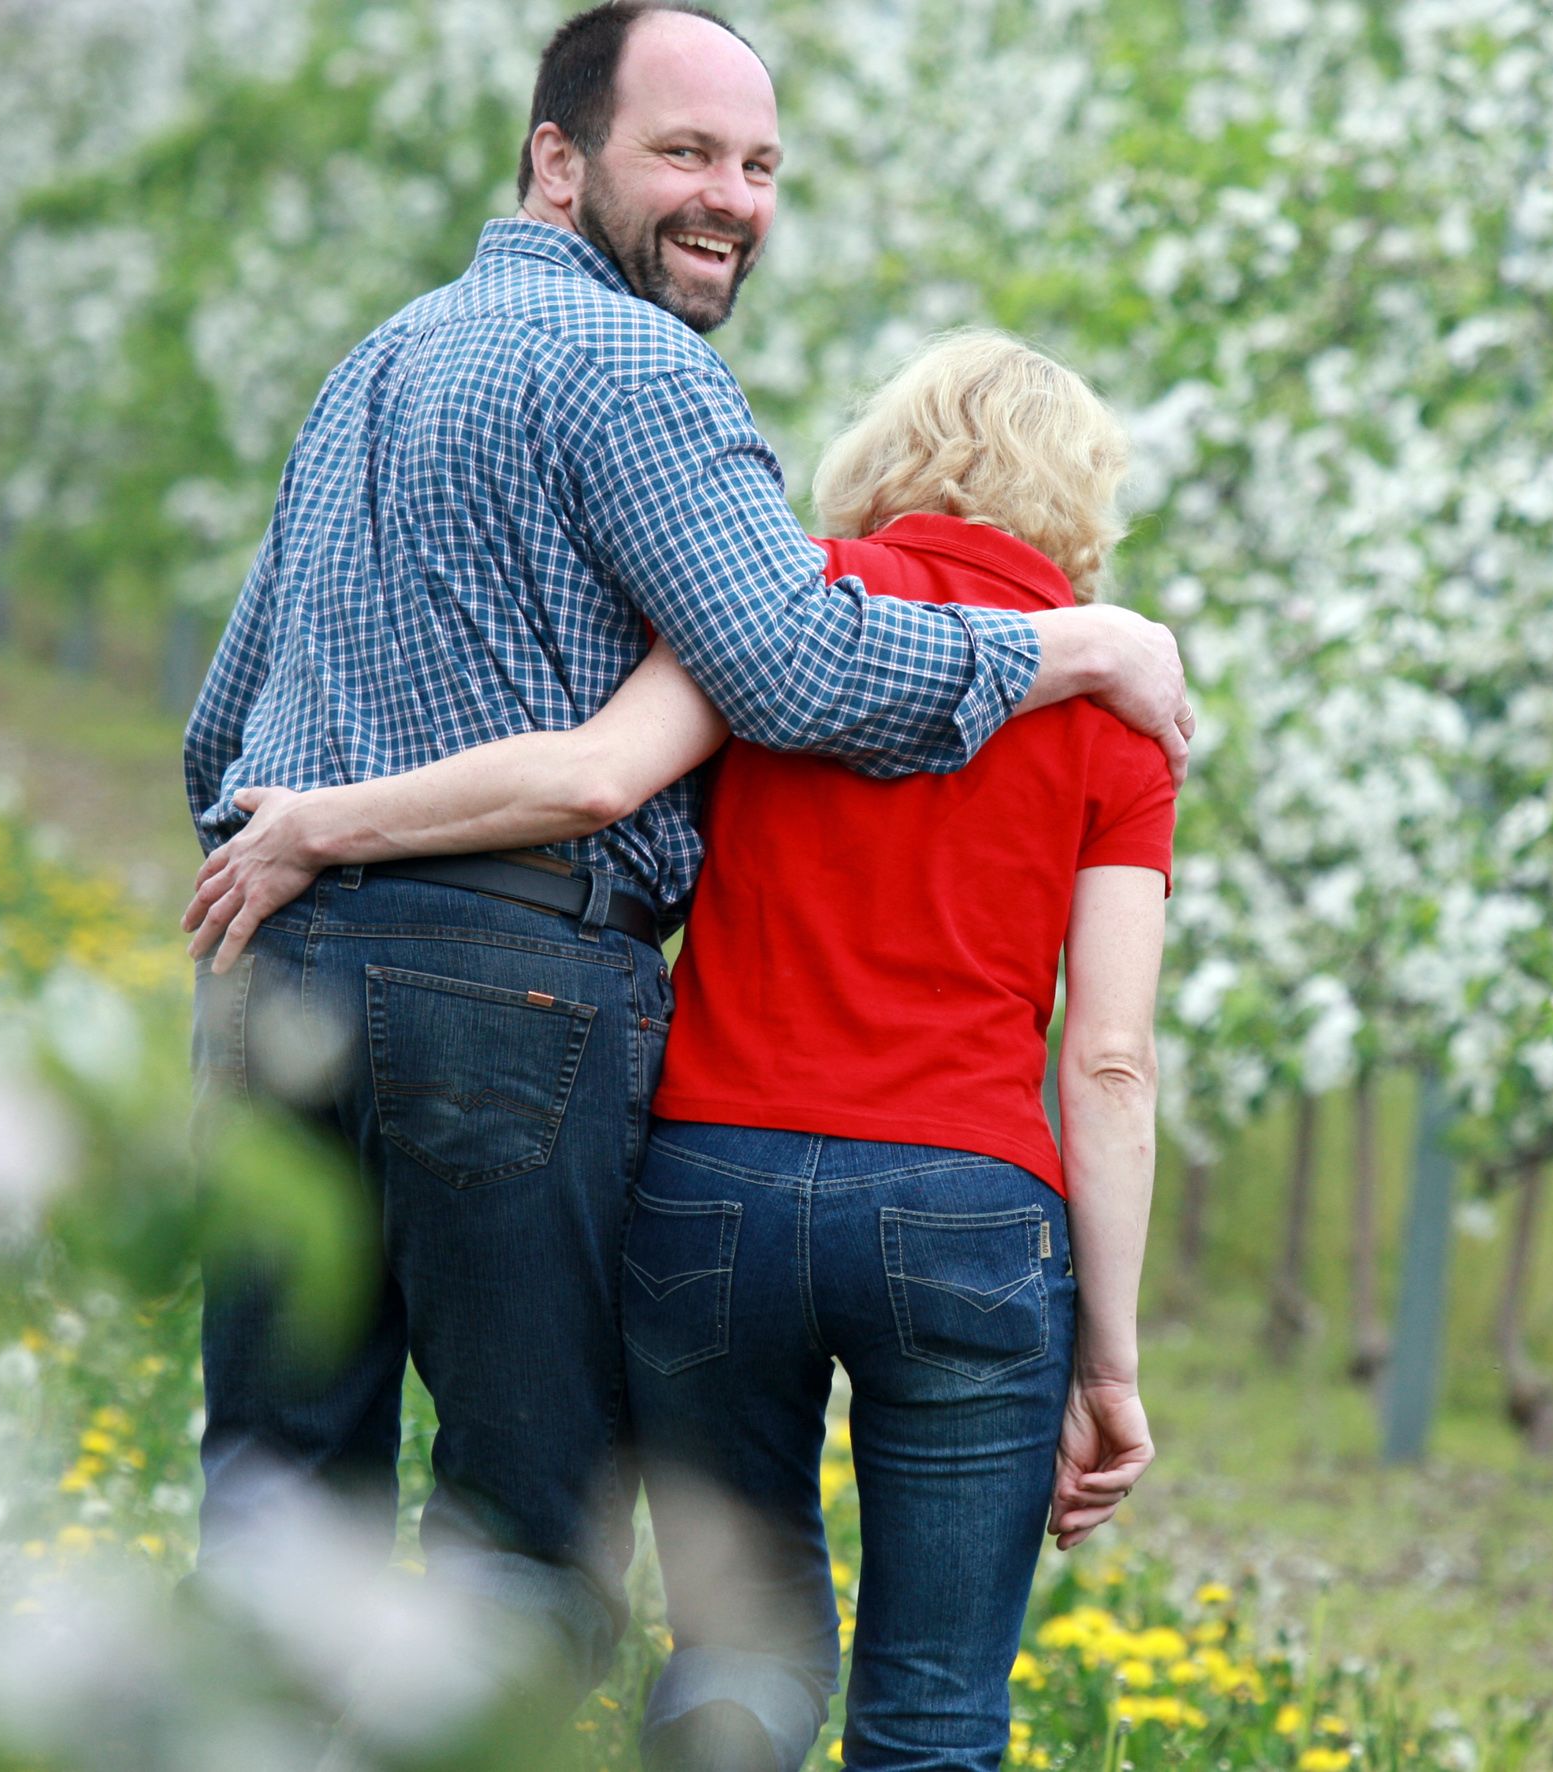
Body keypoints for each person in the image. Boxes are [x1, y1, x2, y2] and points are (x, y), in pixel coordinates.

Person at [178, 0, 1188, 1716]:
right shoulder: (640, 368)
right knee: (520, 1518)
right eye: (687, 153)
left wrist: (317, 841)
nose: (731, 197)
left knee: (275, 1487)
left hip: (278, 968)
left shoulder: (376, 362)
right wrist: (1072, 651)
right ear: (557, 161)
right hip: (511, 988)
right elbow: (790, 664)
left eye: (759, 163)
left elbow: (221, 737)